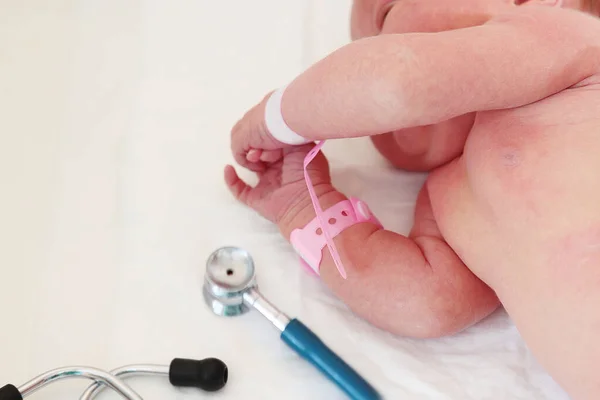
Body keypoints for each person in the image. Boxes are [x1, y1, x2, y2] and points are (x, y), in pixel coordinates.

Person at [224, 0, 600, 398]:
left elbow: (398, 81)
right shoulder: (450, 192)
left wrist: (279, 117)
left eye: (386, 14)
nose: (373, 47)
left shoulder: (568, 39)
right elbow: (429, 302)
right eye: (367, 43)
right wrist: (304, 207)